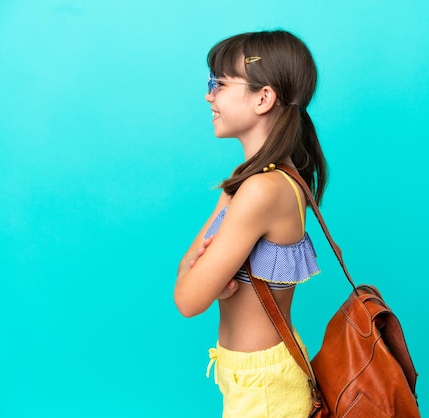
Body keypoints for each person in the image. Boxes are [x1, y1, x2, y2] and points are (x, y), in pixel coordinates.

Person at [173, 30, 327, 418]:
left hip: (265, 391)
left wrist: (205, 276)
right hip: (255, 377)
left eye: (220, 83)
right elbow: (189, 277)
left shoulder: (261, 190)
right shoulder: (258, 179)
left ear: (264, 97)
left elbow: (188, 298)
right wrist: (202, 277)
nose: (210, 95)